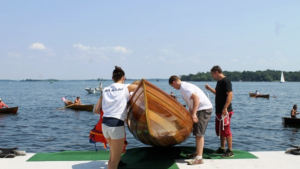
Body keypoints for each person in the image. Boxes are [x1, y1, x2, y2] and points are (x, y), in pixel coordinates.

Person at [94, 66, 137, 169]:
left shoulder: (105, 90)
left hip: (105, 125)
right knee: (115, 160)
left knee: (112, 156)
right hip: (116, 125)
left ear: (112, 78)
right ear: (123, 77)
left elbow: (96, 110)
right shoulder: (126, 87)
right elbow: (141, 86)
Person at [169, 75, 212, 165]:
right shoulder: (183, 87)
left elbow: (196, 98)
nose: (174, 88)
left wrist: (193, 114)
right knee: (197, 132)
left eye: (173, 86)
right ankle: (198, 153)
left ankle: (199, 158)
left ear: (174, 82)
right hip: (201, 108)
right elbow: (190, 101)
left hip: (203, 109)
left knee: (199, 133)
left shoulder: (184, 88)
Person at [205, 65, 234, 158]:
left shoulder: (226, 81)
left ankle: (230, 151)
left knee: (226, 130)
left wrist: (225, 108)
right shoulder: (219, 82)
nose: (212, 76)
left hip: (225, 110)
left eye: (212, 74)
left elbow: (230, 94)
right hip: (219, 110)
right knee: (221, 130)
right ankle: (222, 148)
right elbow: (218, 93)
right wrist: (209, 89)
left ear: (216, 72)